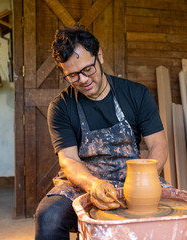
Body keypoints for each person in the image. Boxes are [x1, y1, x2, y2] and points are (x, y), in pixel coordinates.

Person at [34, 26, 170, 240]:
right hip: (83, 182)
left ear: (100, 56)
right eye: (73, 75)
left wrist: (144, 180)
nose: (83, 80)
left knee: (176, 213)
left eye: (88, 69)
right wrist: (92, 184)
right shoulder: (60, 106)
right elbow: (68, 160)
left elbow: (158, 145)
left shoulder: (137, 94)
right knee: (48, 217)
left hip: (132, 176)